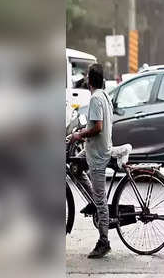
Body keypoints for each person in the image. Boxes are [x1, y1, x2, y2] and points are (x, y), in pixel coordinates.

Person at [69, 63, 113, 259]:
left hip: (97, 155)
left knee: (101, 201)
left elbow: (98, 128)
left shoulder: (95, 98)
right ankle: (92, 200)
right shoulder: (104, 95)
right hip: (93, 150)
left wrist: (79, 135)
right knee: (75, 167)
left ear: (89, 81)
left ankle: (104, 241)